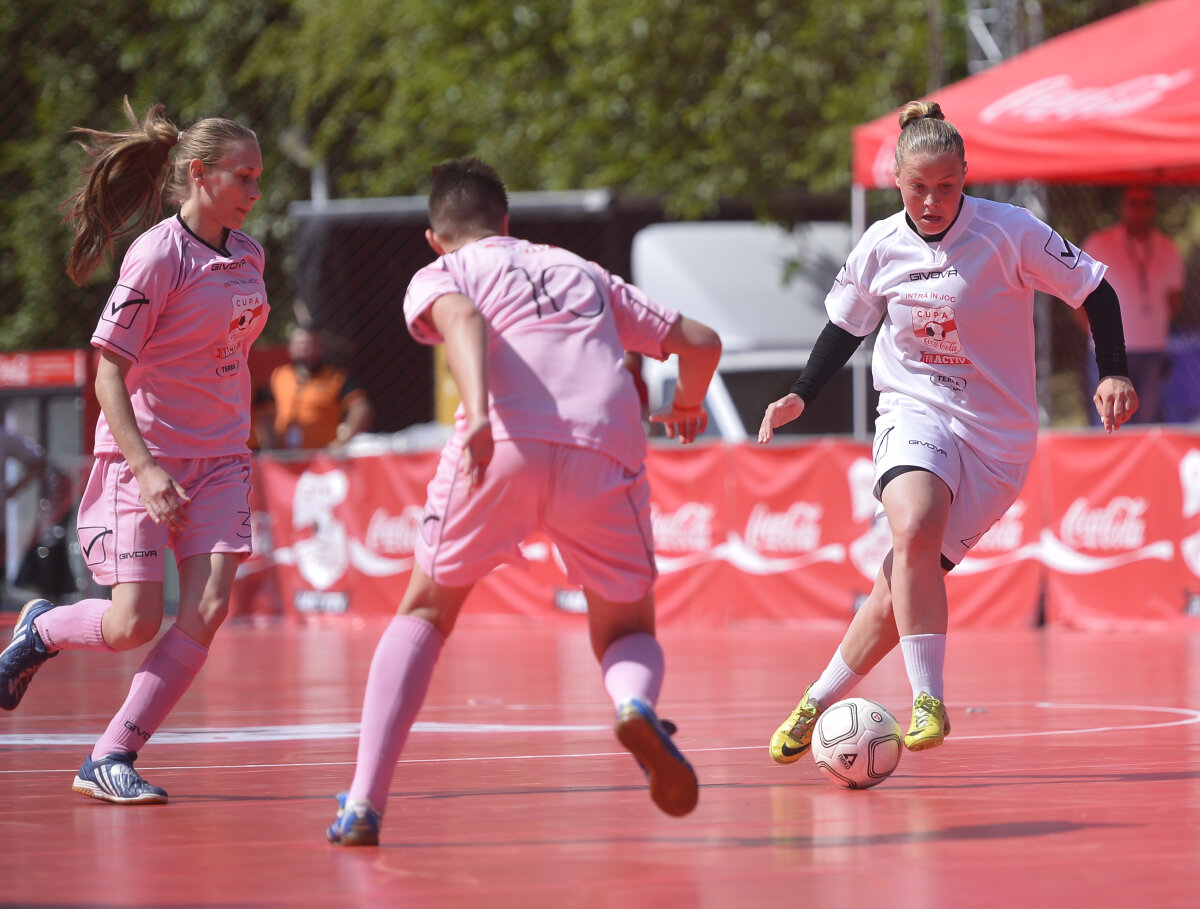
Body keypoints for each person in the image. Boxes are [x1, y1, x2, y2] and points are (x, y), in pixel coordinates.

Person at [325, 157, 721, 846]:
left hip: (501, 441)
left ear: (435, 237)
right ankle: (634, 704)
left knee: (424, 609)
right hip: (605, 445)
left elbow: (465, 320)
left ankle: (363, 801)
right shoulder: (582, 271)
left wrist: (477, 412)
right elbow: (701, 343)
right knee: (627, 628)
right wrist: (686, 403)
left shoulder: (441, 272)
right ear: (509, 222)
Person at [758, 101, 1136, 763]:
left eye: (946, 186)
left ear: (966, 176)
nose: (932, 201)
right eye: (917, 187)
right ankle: (927, 698)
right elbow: (845, 327)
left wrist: (1114, 371)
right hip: (914, 407)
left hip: (998, 436)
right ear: (896, 182)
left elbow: (1095, 291)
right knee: (912, 525)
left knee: (899, 579)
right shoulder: (880, 244)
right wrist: (799, 393)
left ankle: (815, 701)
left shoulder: (1010, 233)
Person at [0, 98, 267, 805]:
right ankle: (42, 629)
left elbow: (225, 352)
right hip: (143, 460)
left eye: (259, 178)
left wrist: (238, 428)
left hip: (220, 459)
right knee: (131, 624)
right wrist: (146, 468)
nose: (254, 191)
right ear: (200, 175)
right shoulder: (157, 255)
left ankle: (111, 751)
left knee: (209, 604)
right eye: (243, 177)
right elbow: (109, 370)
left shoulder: (249, 254)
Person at [1081, 186, 1184, 423]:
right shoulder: (1098, 243)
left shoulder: (1167, 247)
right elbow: (1078, 298)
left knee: (1146, 424)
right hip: (1109, 351)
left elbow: (1174, 300)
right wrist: (1097, 334)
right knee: (1109, 421)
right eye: (1133, 203)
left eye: (1146, 203)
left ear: (1154, 208)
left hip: (1153, 348)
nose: (1140, 210)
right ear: (1122, 207)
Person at [255, 324, 373, 450]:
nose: (305, 349)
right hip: (286, 460)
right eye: (300, 344)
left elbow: (360, 408)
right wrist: (270, 445)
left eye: (310, 345)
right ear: (291, 347)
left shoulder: (335, 377)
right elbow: (262, 411)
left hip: (324, 458)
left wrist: (343, 440)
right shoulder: (279, 375)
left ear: (320, 348)